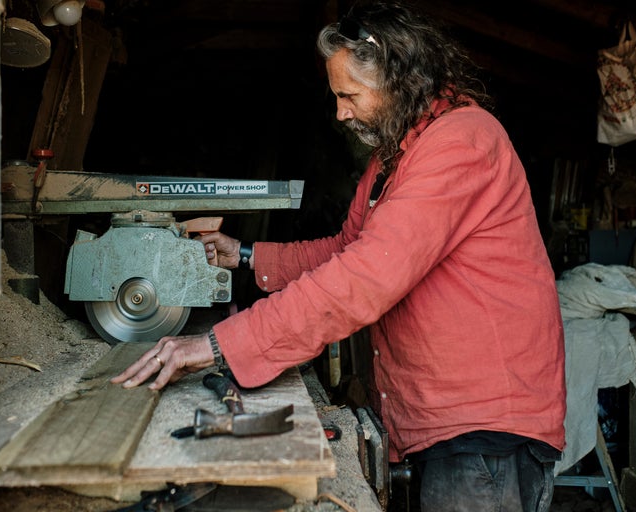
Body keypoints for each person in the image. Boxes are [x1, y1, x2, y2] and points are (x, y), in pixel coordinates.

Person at [112, 1, 567, 510]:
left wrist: (216, 346)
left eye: (348, 95)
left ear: (398, 78)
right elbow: (347, 250)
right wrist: (241, 254)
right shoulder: (394, 156)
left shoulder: (462, 142)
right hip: (441, 422)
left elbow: (365, 277)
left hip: (485, 429)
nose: (340, 112)